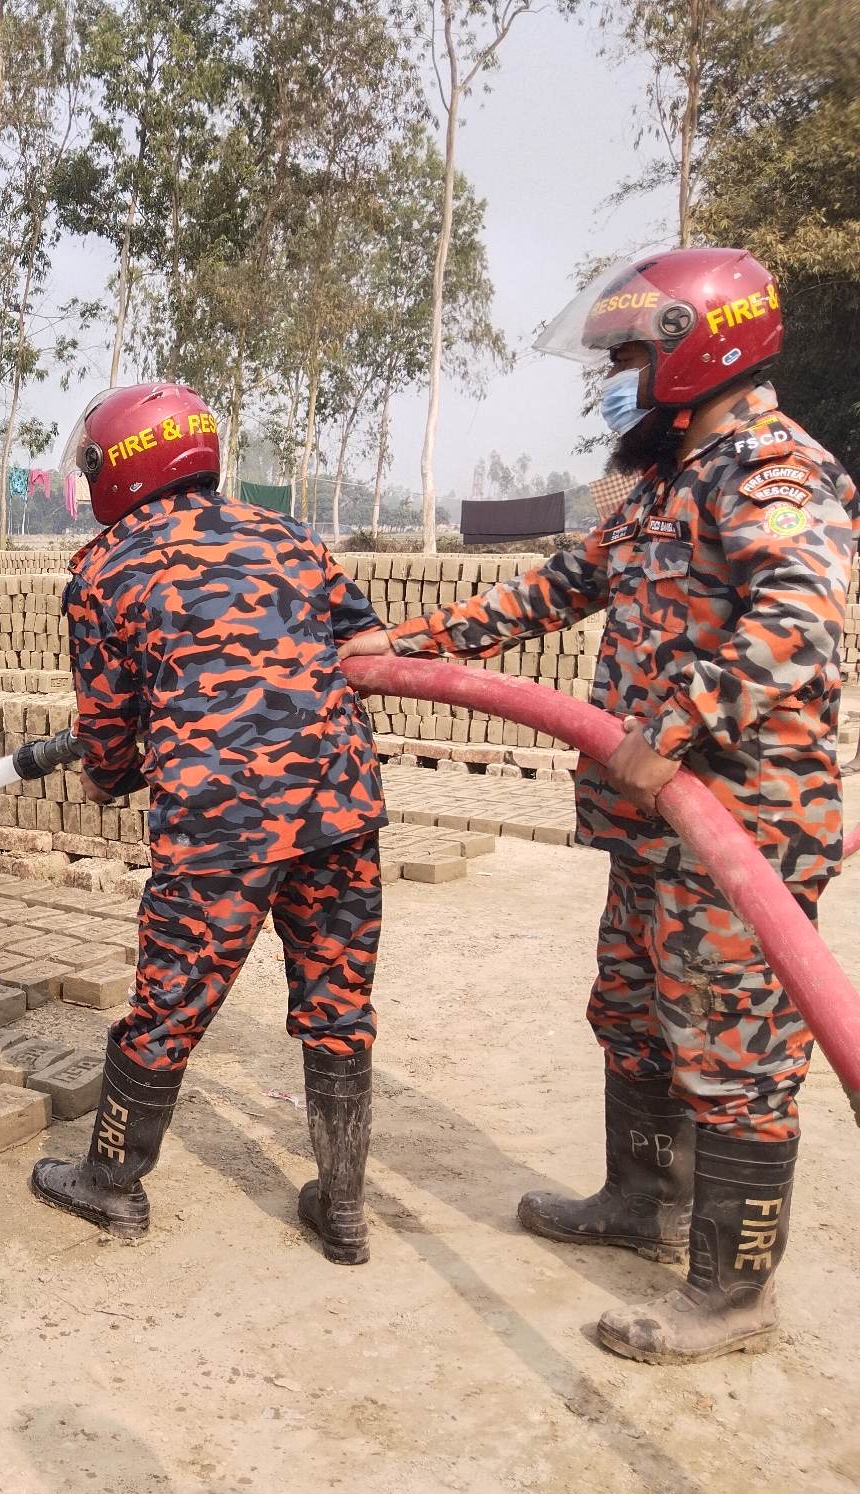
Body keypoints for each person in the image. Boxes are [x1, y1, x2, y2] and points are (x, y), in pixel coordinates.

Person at [342, 247, 857, 1362]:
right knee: (629, 1016)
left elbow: (795, 619)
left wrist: (672, 728)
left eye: (626, 353)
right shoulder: (668, 478)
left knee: (735, 1055)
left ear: (694, 348)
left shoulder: (769, 474)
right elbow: (560, 588)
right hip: (650, 832)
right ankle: (639, 1203)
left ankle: (730, 1297)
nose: (613, 375)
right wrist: (407, 644)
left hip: (738, 827)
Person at [29, 382, 390, 1263]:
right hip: (340, 807)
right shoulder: (289, 535)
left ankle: (110, 1185)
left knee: (168, 1005)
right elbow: (364, 644)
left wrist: (104, 778)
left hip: (220, 826)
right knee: (340, 1008)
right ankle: (343, 1208)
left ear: (115, 467)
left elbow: (108, 725)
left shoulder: (103, 568)